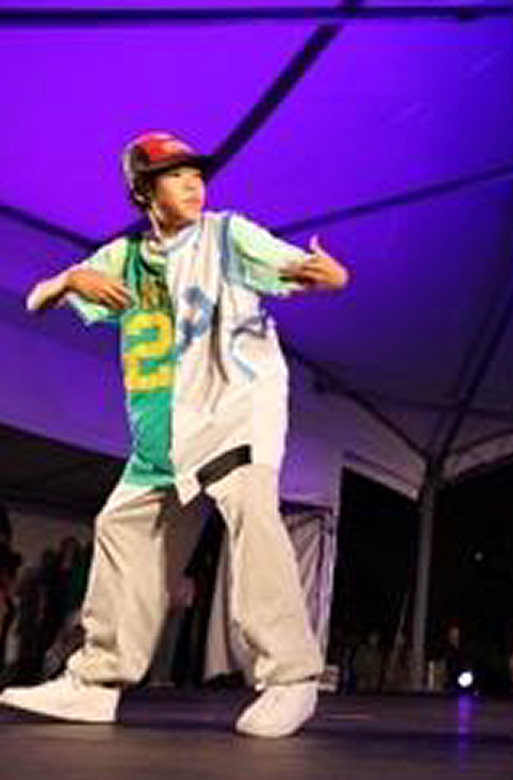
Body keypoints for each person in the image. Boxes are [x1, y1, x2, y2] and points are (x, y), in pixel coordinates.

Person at [0, 131, 349, 738]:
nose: (194, 184)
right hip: (162, 439)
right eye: (175, 175)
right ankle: (96, 684)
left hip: (233, 412)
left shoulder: (227, 235)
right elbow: (34, 301)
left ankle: (291, 676)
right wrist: (70, 281)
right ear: (143, 191)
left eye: (197, 174)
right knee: (120, 528)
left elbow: (293, 267)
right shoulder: (123, 257)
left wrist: (325, 274)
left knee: (251, 511)